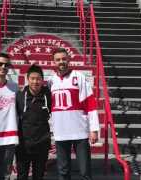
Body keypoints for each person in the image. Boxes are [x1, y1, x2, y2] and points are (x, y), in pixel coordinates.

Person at [47, 48, 100, 180]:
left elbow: (90, 104)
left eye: (64, 59)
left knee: (85, 171)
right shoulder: (50, 81)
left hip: (79, 131)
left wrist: (93, 129)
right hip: (60, 132)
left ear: (69, 59)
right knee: (63, 172)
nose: (61, 62)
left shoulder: (79, 76)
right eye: (58, 59)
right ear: (54, 62)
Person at [15, 64, 52, 180]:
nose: (35, 82)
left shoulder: (49, 95)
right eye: (32, 78)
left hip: (42, 143)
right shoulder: (20, 95)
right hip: (23, 144)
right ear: (27, 79)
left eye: (38, 79)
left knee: (39, 176)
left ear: (42, 80)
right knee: (22, 175)